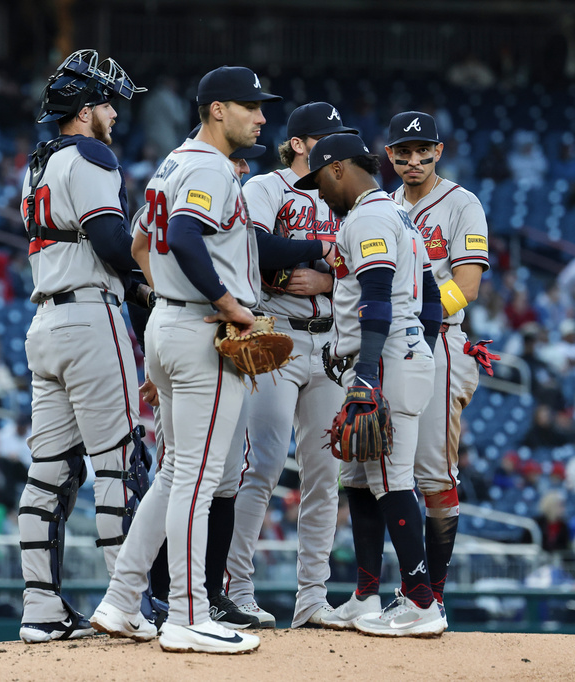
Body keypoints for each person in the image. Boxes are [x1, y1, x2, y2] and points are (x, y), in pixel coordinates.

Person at [94, 65, 279, 655]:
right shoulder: (208, 166)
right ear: (217, 109)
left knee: (176, 474)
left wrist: (168, 303)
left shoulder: (174, 161)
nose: (262, 117)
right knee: (198, 479)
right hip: (204, 330)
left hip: (173, 326)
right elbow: (182, 233)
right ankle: (187, 613)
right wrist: (228, 305)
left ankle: (122, 600)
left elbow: (141, 244)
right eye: (252, 106)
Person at [17, 49, 151, 644]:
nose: (115, 115)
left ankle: (40, 609)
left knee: (48, 473)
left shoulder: (35, 165)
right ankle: (124, 603)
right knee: (118, 464)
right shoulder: (92, 154)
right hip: (89, 319)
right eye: (108, 104)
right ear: (85, 107)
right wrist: (152, 276)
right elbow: (110, 238)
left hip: (44, 324)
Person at [210, 103, 355, 630]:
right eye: (326, 137)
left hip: (332, 342)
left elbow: (370, 265)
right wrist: (323, 250)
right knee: (263, 466)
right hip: (276, 336)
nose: (337, 147)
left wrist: (329, 279)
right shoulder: (265, 189)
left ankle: (312, 597)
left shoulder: (347, 194)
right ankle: (237, 588)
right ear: (299, 143)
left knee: (324, 476)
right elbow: (256, 245)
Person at [294, 132, 445, 637]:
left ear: (337, 168)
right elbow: (428, 298)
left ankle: (422, 602)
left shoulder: (371, 216)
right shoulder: (394, 213)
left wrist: (370, 374)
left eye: (318, 181)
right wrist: (413, 343)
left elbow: (378, 298)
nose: (318, 193)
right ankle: (365, 595)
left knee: (389, 477)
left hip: (383, 361)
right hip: (393, 354)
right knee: (359, 477)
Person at [383, 111, 492, 627]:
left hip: (442, 342)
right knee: (382, 468)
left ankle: (434, 597)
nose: (412, 159)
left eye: (421, 149)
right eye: (402, 151)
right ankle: (411, 591)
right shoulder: (383, 205)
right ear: (389, 156)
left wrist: (413, 309)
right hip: (389, 343)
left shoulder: (461, 203)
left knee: (432, 472)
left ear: (439, 150)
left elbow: (467, 287)